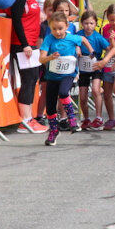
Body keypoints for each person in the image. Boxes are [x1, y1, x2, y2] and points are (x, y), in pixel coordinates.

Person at [38, 12, 94, 146]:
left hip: (68, 74)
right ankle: (54, 131)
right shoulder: (49, 39)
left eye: (60, 28)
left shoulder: (72, 38)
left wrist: (91, 51)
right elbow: (41, 59)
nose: (57, 32)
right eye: (54, 29)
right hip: (52, 75)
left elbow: (83, 40)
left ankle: (72, 118)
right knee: (50, 107)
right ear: (50, 28)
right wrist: (50, 57)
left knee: (63, 92)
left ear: (67, 26)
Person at [5, 0, 46, 133]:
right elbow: (16, 19)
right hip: (23, 43)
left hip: (31, 42)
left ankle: (29, 118)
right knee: (28, 79)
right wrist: (25, 44)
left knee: (32, 78)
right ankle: (26, 120)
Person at [75, 10, 114, 131]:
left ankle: (98, 118)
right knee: (82, 96)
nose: (88, 26)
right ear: (82, 23)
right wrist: (77, 47)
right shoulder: (79, 35)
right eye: (86, 23)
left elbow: (109, 48)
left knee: (96, 90)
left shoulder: (98, 37)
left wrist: (112, 40)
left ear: (96, 24)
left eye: (91, 23)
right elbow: (72, 42)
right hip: (83, 69)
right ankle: (86, 119)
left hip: (95, 67)